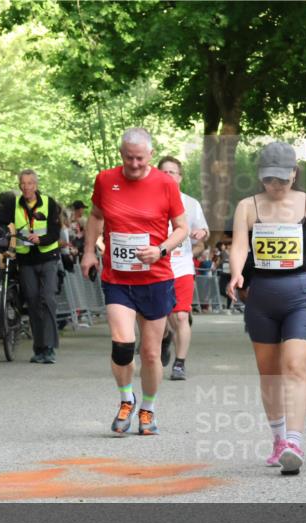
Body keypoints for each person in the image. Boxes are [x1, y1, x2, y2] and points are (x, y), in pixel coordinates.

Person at [226, 141, 306, 475]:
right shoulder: (248, 206)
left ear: (294, 173)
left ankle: (294, 442)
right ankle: (278, 440)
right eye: (269, 180)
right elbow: (239, 246)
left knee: (295, 368)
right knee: (270, 374)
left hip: (301, 293)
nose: (275, 186)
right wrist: (235, 275)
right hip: (261, 297)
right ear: (261, 176)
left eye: (283, 180)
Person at [80, 128, 189, 436]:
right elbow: (96, 216)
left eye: (140, 158)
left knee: (151, 353)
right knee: (123, 343)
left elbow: (181, 228)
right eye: (129, 158)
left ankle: (148, 408)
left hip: (155, 278)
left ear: (150, 155)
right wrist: (89, 251)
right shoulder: (105, 180)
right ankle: (126, 398)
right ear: (121, 154)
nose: (135, 164)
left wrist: (161, 249)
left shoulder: (166, 184)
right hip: (117, 277)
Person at [157, 156, 209, 380]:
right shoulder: (149, 201)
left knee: (180, 316)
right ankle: (166, 337)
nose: (168, 176)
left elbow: (203, 231)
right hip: (157, 267)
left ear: (180, 177)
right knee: (163, 317)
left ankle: (179, 363)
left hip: (182, 266)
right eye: (164, 172)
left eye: (173, 172)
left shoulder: (190, 203)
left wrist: (201, 233)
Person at [14, 170, 63, 364]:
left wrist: (41, 239)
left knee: (47, 299)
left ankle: (50, 348)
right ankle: (39, 347)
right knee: (33, 302)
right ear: (20, 186)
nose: (26, 187)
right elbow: (0, 221)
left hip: (48, 257)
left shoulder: (49, 202)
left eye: (30, 183)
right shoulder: (14, 205)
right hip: (26, 259)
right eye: (23, 183)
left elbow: (55, 231)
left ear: (36, 185)